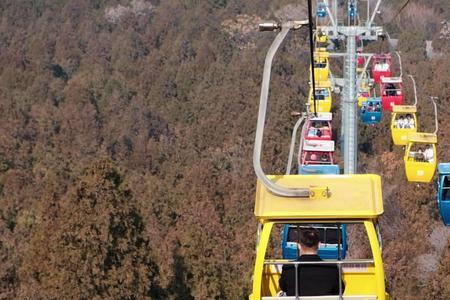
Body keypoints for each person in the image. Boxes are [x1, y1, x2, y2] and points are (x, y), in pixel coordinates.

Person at [279, 227, 345, 297]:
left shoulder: (289, 268)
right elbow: (339, 290)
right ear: (319, 245)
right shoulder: (332, 268)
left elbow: (283, 287)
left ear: (298, 245)